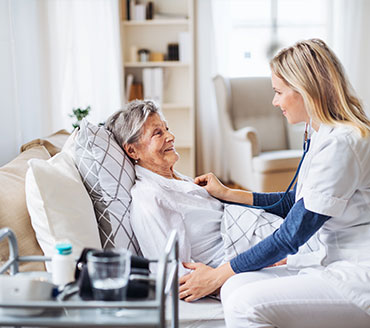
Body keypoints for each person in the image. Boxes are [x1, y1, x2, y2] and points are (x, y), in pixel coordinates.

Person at [179, 38, 370, 327]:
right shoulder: (322, 133)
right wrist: (227, 192)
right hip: (330, 259)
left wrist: (218, 273)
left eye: (279, 92)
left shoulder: (343, 143)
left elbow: (291, 236)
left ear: (306, 90)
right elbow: (293, 202)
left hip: (357, 272)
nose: (274, 101)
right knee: (235, 286)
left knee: (243, 304)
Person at [105, 100, 286, 276]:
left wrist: (225, 194)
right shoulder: (150, 198)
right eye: (157, 133)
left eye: (166, 128)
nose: (171, 136)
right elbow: (174, 271)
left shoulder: (178, 180)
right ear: (132, 151)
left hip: (274, 234)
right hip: (263, 253)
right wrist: (266, 261)